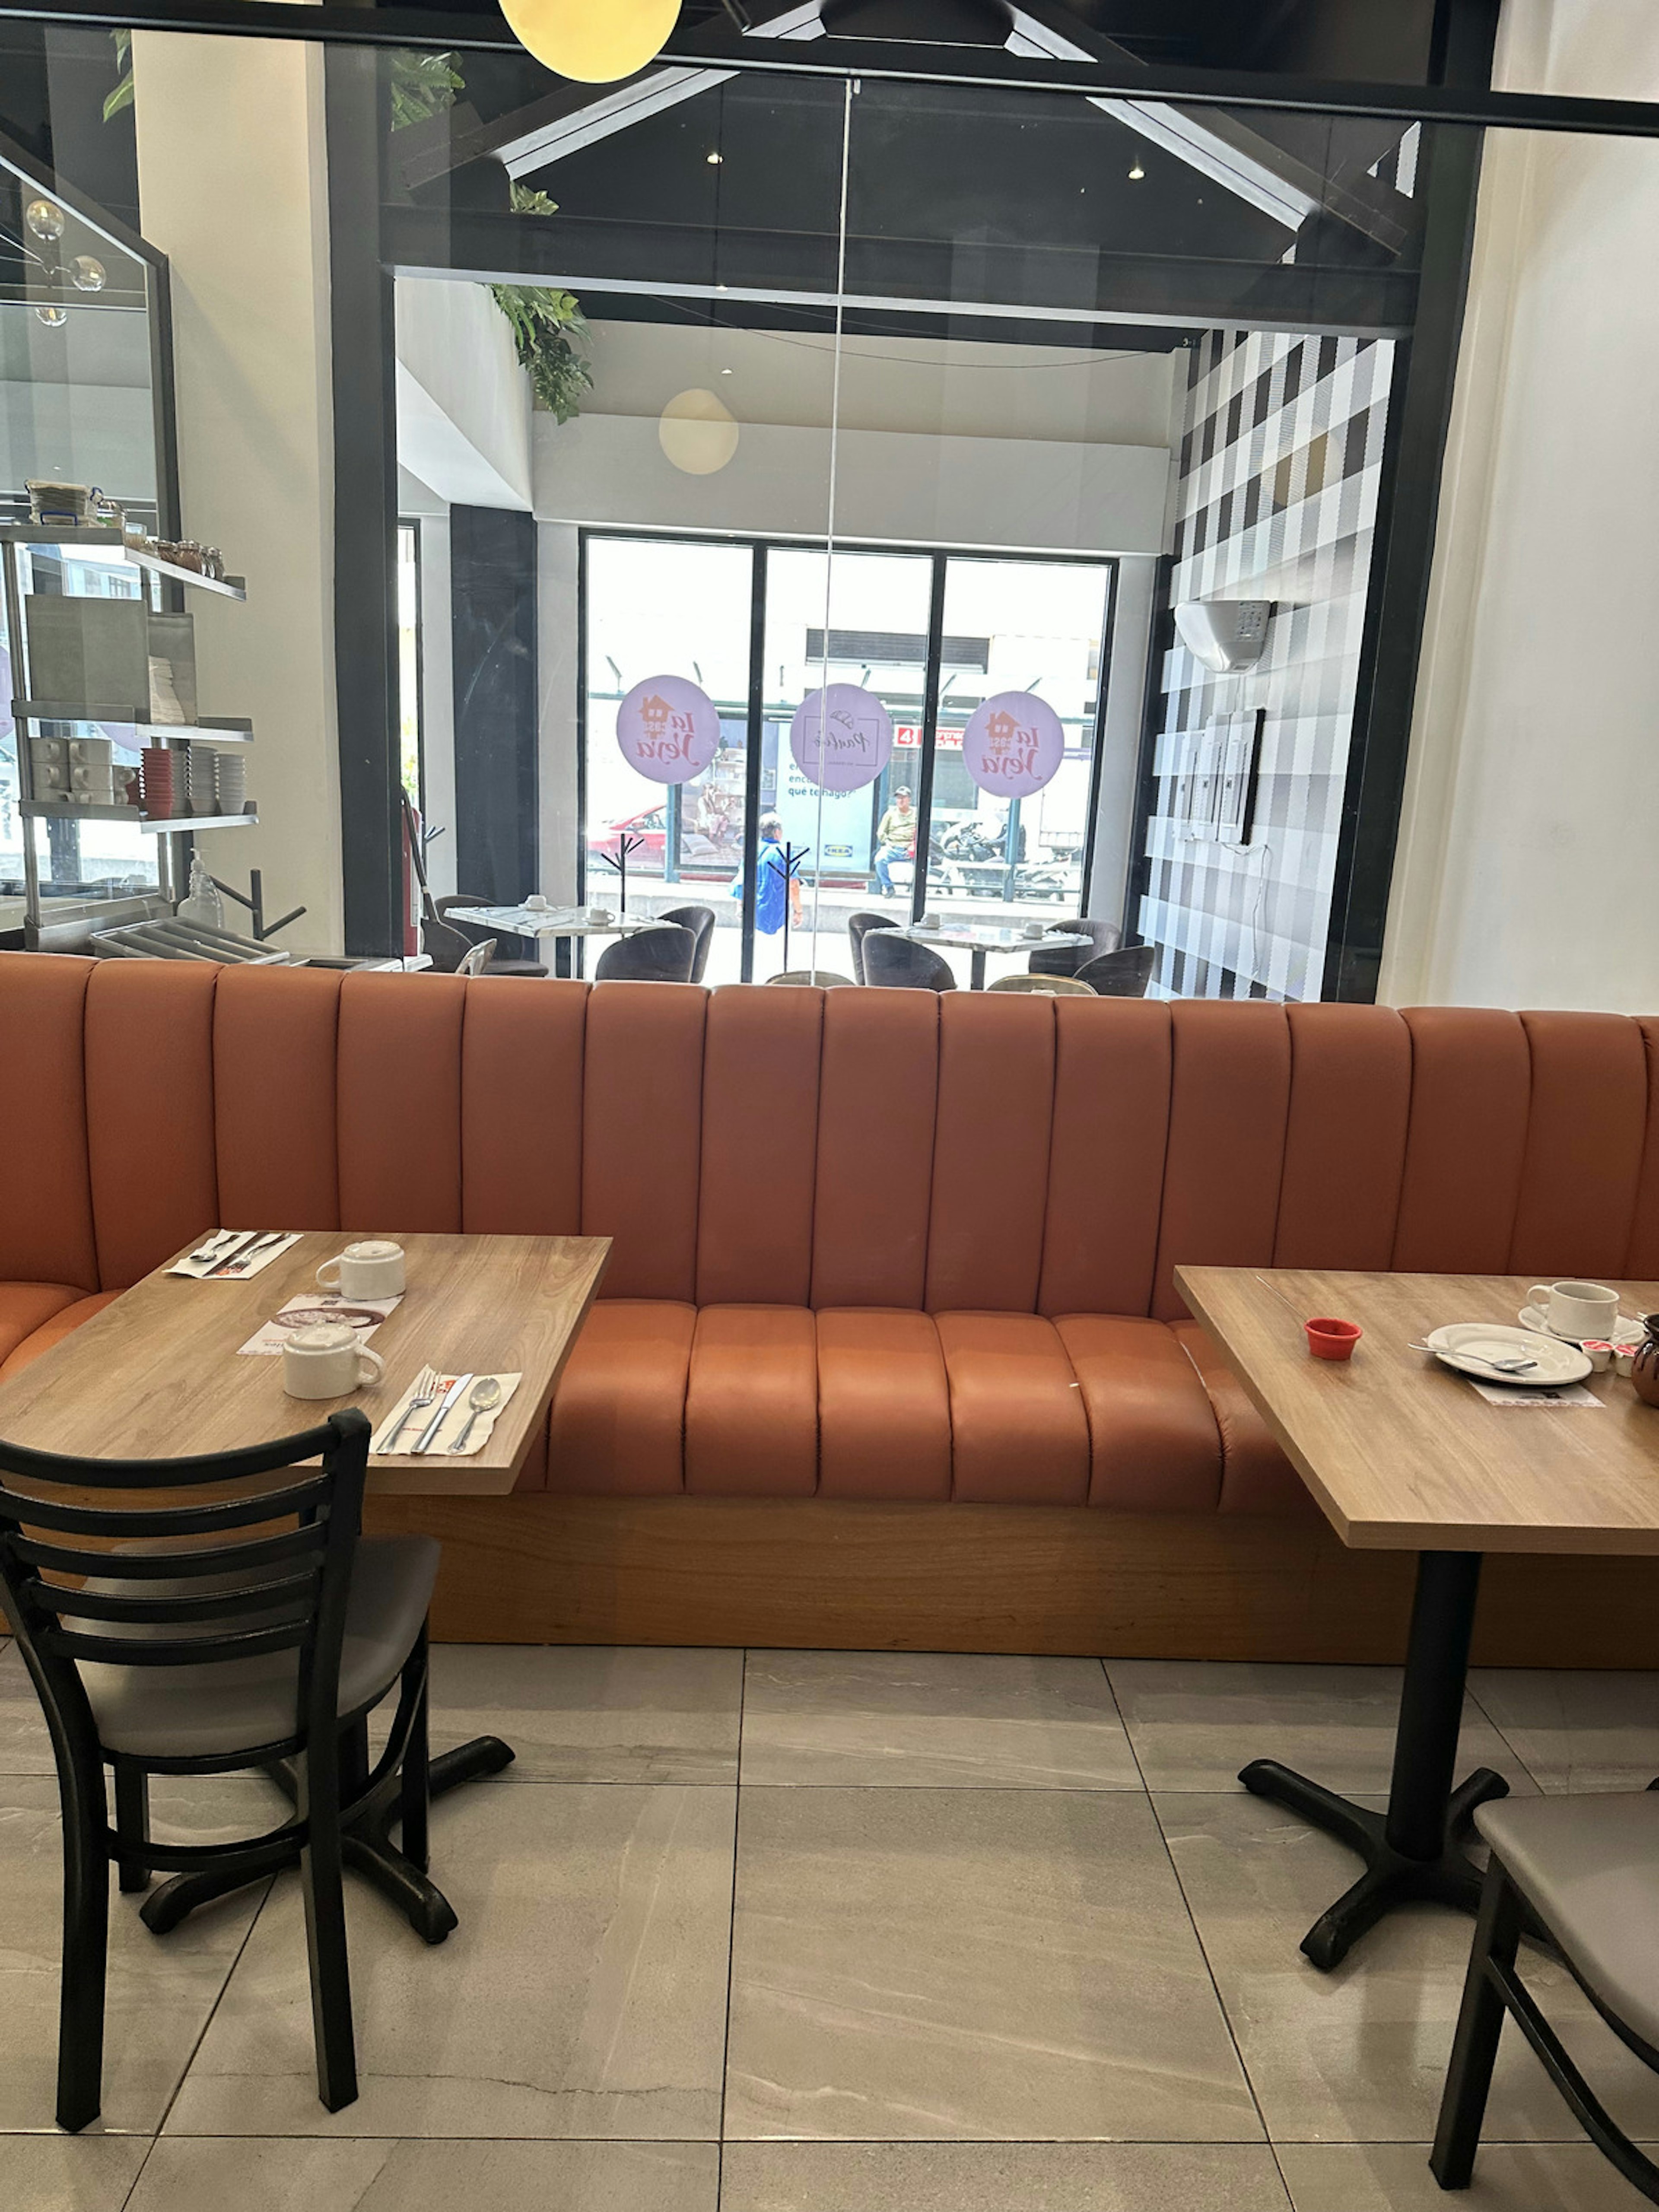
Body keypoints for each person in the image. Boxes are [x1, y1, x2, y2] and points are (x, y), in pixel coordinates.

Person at [873, 785, 918, 898]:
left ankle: (918, 889)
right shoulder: (890, 814)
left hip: (911, 849)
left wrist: (914, 846)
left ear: (909, 800)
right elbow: (881, 833)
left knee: (926, 861)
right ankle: (889, 887)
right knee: (880, 860)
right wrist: (888, 843)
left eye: (904, 798)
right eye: (898, 798)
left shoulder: (917, 814)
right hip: (893, 848)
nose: (901, 801)